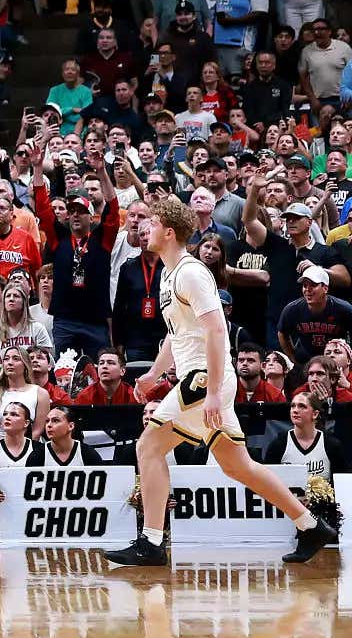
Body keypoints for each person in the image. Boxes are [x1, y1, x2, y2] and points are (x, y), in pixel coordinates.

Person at [107, 193, 331, 566]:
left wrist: (212, 391)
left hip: (203, 379)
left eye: (151, 221)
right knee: (236, 465)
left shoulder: (192, 272)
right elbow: (178, 337)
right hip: (203, 378)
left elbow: (216, 331)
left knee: (148, 447)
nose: (145, 227)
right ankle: (310, 525)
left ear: (169, 230)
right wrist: (151, 375)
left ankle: (151, 541)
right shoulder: (169, 274)